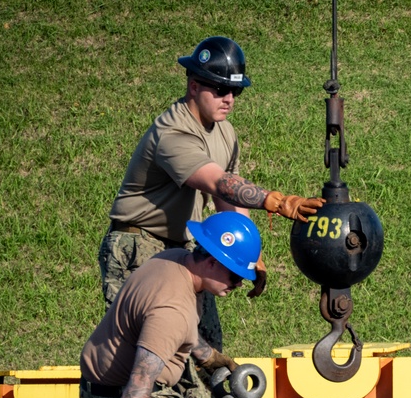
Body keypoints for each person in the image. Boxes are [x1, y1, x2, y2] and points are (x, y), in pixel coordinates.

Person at [99, 35, 324, 351]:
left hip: (184, 249)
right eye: (220, 90)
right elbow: (218, 183)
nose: (229, 98)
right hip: (138, 246)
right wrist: (278, 201)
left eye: (236, 91)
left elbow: (227, 200)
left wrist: (251, 256)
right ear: (194, 86)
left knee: (207, 348)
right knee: (149, 349)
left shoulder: (226, 132)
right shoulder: (173, 132)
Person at [46, 213, 263, 398]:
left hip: (94, 391)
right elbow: (142, 376)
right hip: (125, 397)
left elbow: (172, 327)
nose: (238, 285)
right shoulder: (173, 310)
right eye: (235, 275)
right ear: (212, 261)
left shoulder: (172, 260)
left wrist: (207, 355)